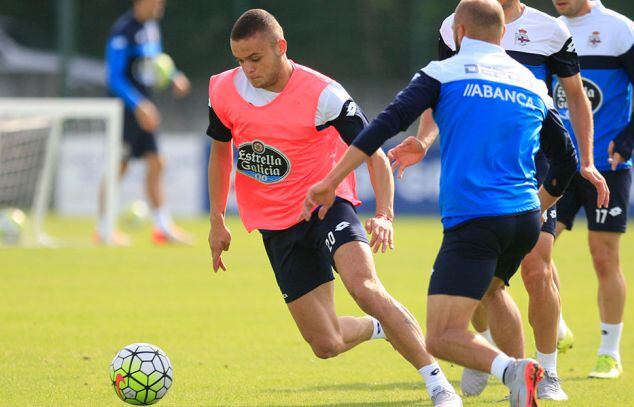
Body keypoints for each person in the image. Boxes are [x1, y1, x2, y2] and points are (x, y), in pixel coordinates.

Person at [302, 1, 581, 405]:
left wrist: (332, 180)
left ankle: (513, 369)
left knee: (442, 336)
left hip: (476, 219)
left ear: (459, 34)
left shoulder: (443, 73)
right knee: (494, 290)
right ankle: (524, 387)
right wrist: (541, 203)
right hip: (523, 217)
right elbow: (567, 158)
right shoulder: (529, 82)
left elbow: (382, 126)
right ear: (502, 35)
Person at [206, 9, 462, 406]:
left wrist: (384, 215)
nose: (247, 69)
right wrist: (217, 220)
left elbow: (374, 154)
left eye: (255, 59)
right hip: (276, 226)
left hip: (328, 207)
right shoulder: (223, 90)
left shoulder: (324, 94)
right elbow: (221, 151)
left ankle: (437, 383)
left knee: (365, 287)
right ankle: (379, 328)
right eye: (240, 60)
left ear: (281, 46)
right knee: (326, 344)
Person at [388, 0, 609, 399]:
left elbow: (575, 98)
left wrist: (587, 161)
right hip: (475, 163)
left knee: (537, 269)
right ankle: (485, 352)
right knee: (478, 275)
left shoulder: (552, 32)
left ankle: (547, 373)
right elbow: (441, 92)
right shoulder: (456, 24)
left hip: (531, 167)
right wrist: (422, 141)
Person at [550, 0, 634, 379]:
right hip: (560, 163)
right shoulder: (550, 29)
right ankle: (556, 323)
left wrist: (627, 140)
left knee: (603, 257)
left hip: (608, 166)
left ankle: (609, 352)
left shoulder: (619, 29)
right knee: (536, 247)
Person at [101, 0, 192, 245]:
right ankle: (103, 229)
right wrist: (138, 104)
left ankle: (162, 227)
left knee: (156, 162)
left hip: (145, 109)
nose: (160, 5)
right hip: (125, 110)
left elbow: (155, 61)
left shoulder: (152, 27)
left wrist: (173, 75)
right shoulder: (123, 30)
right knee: (118, 166)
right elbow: (114, 77)